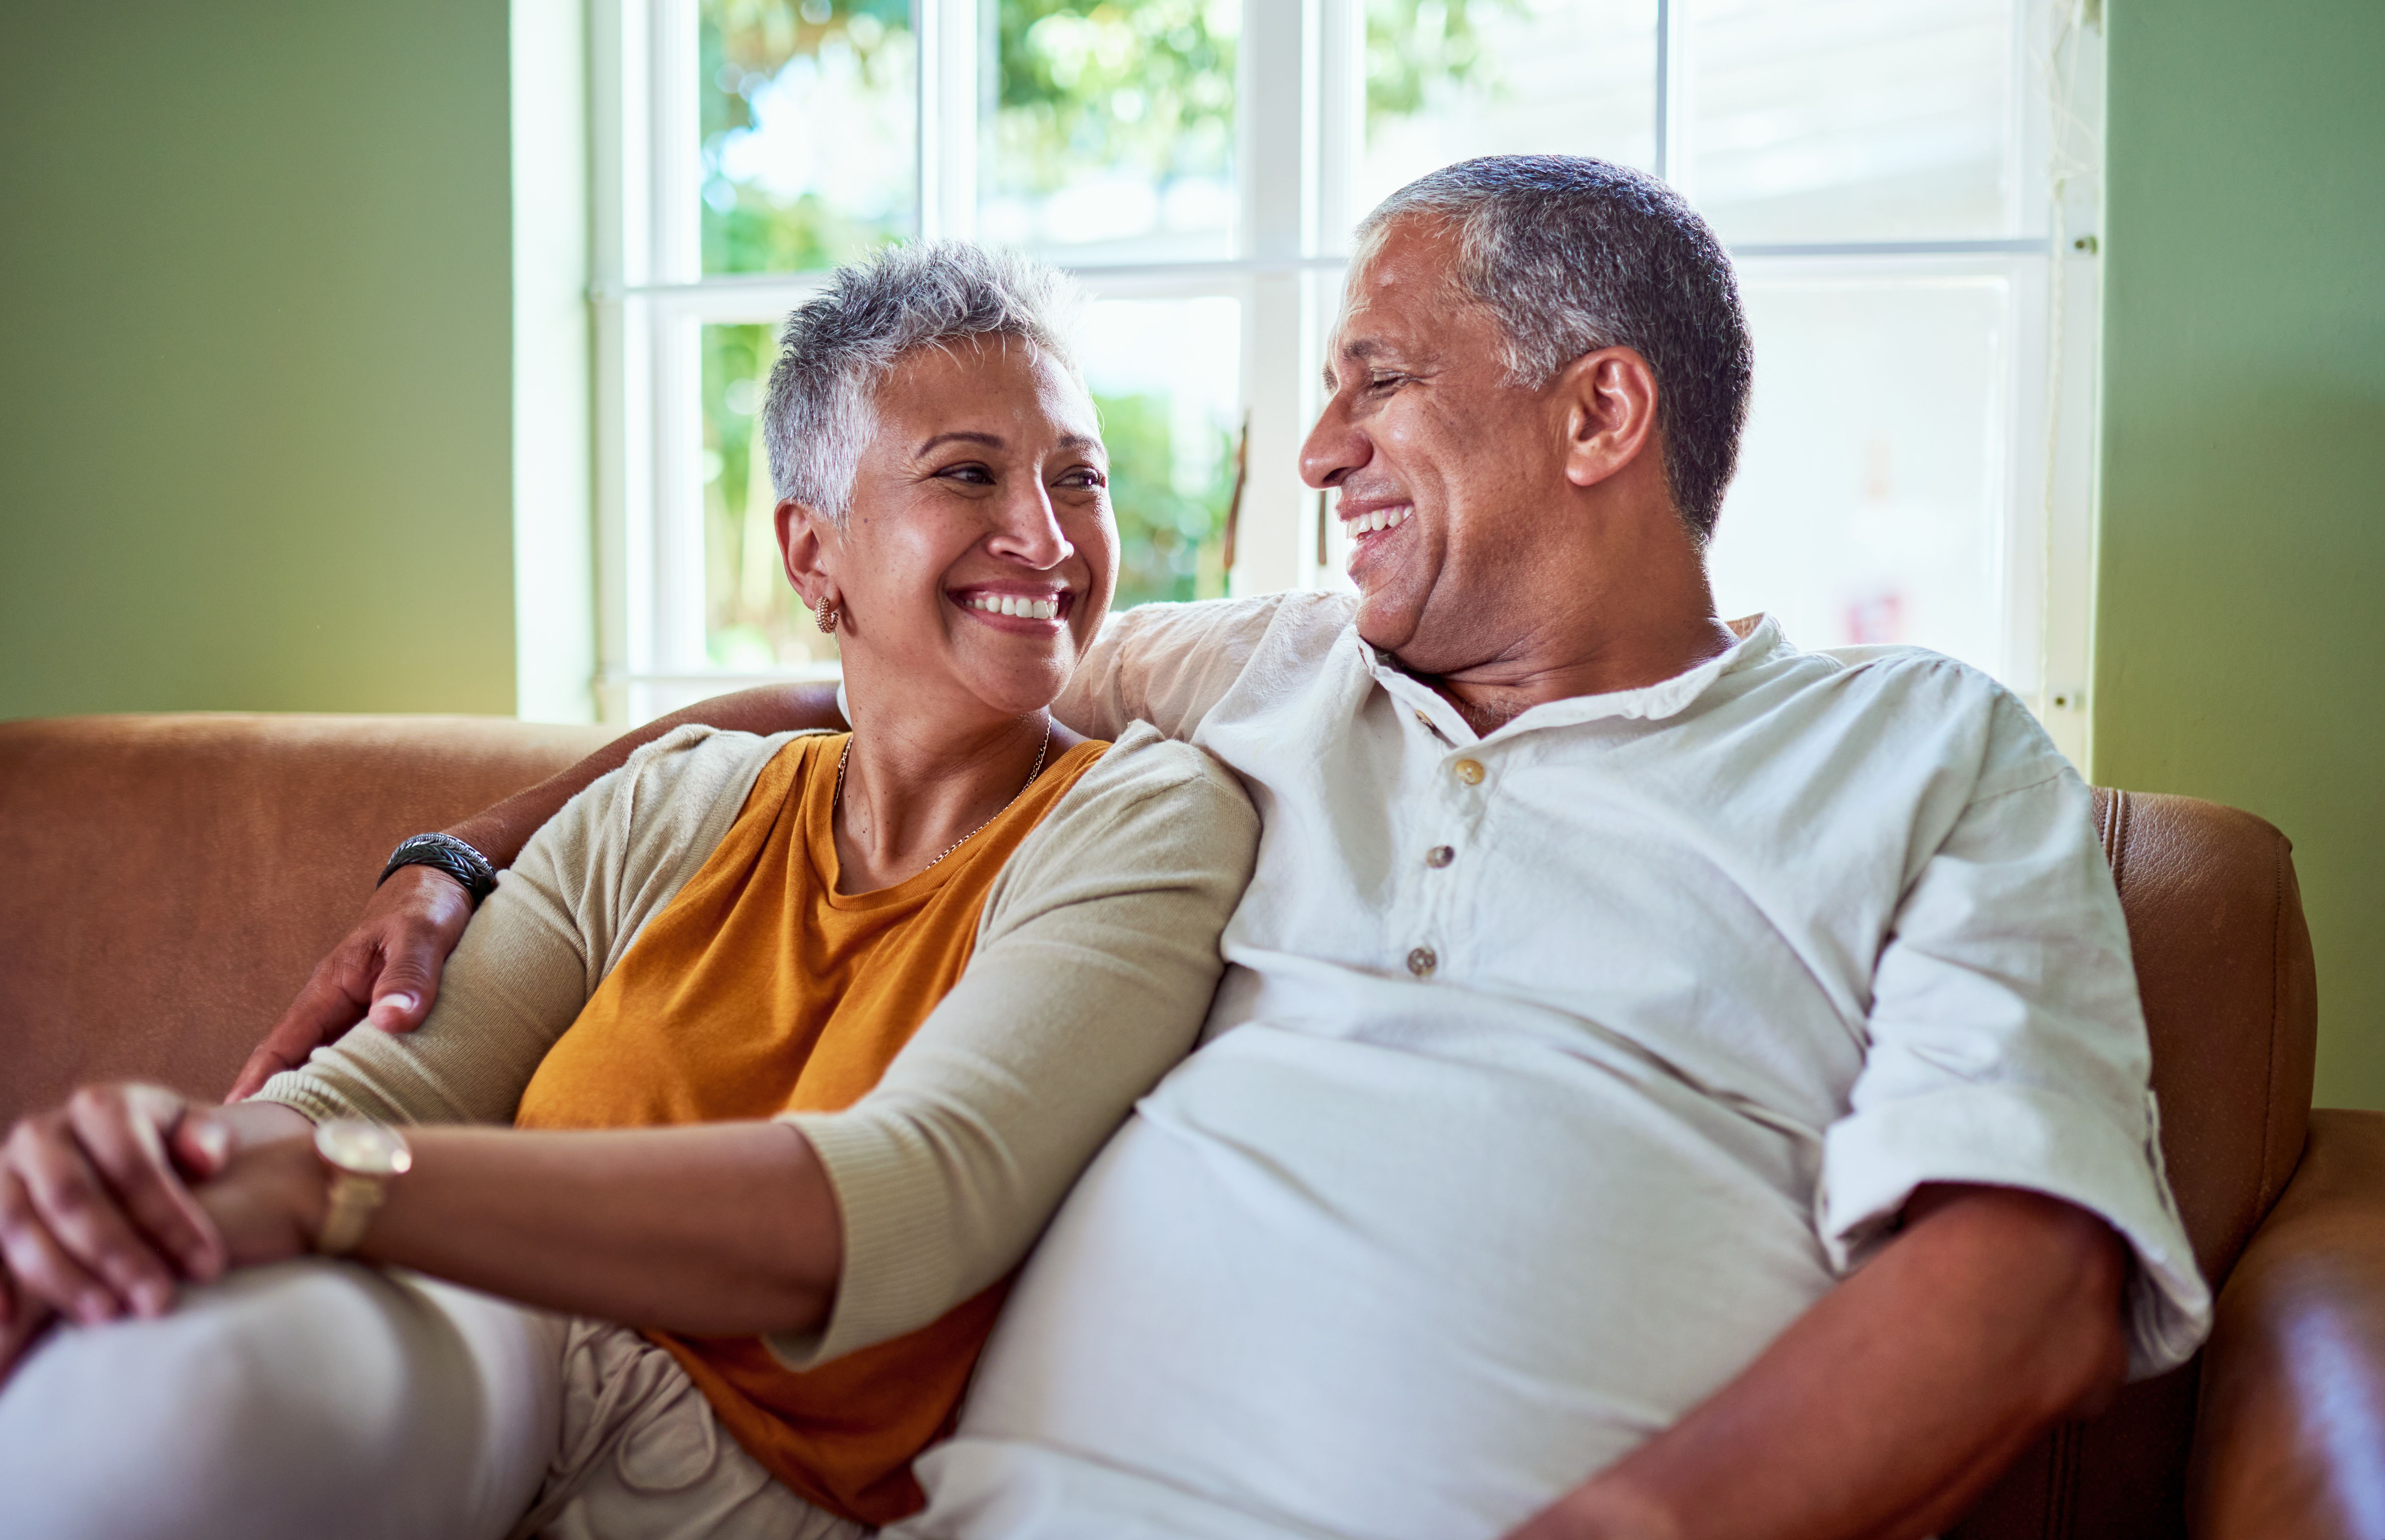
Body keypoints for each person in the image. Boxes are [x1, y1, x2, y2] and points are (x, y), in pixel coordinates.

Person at [239, 155, 2189, 1540]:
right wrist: (462, 855)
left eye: (1375, 378)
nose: (1319, 447)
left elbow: (2026, 1279)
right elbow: (885, 688)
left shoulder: (1923, 750)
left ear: (1601, 412)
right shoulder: (1267, 668)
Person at [0, 242, 1258, 1540]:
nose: (1046, 536)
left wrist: (341, 1186)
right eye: (967, 475)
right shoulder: (677, 801)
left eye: (1080, 478)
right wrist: (141, 1177)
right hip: (493, 1353)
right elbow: (378, 1093)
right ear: (812, 555)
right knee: (153, 1386)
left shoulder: (1149, 819)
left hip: (759, 1478)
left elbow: (909, 1198)